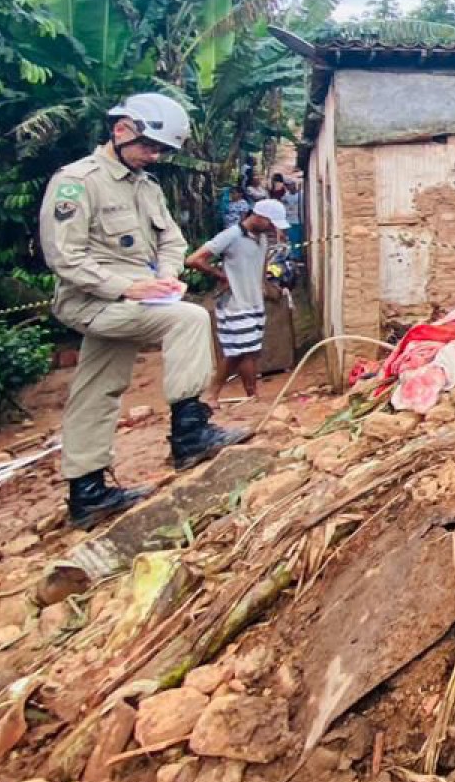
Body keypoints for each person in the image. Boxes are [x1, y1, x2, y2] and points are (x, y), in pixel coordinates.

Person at [38, 95, 252, 528]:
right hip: (92, 302)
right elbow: (64, 256)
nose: (153, 156)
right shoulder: (78, 182)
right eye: (148, 146)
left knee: (98, 388)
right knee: (190, 318)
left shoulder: (146, 187)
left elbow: (172, 241)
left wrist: (169, 276)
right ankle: (189, 434)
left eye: (161, 150)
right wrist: (128, 287)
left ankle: (87, 492)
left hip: (140, 299)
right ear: (121, 130)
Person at [187, 197, 288, 401]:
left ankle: (251, 394)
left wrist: (267, 288)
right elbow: (194, 259)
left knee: (249, 351)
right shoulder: (231, 235)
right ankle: (213, 394)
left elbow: (259, 267)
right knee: (237, 351)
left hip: (253, 300)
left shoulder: (261, 238)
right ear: (258, 217)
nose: (271, 228)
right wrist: (221, 275)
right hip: (235, 302)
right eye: (270, 222)